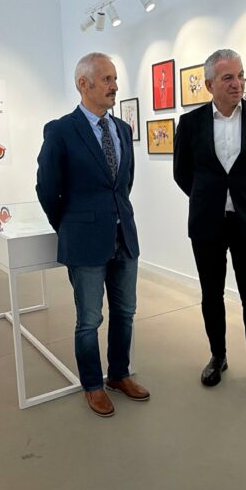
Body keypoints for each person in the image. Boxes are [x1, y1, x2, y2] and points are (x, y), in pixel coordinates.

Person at [36, 52, 149, 418]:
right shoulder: (61, 130)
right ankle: (92, 384)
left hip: (123, 236)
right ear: (82, 84)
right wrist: (68, 223)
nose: (114, 86)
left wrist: (117, 216)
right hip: (84, 239)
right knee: (89, 319)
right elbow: (47, 187)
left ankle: (118, 374)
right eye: (106, 79)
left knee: (126, 312)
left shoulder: (123, 129)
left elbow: (123, 184)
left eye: (115, 79)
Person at [173, 49, 246, 399]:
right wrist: (210, 198)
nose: (238, 84)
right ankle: (217, 355)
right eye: (228, 78)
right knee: (211, 294)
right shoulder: (190, 124)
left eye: (240, 75)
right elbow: (182, 173)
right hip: (208, 223)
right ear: (209, 85)